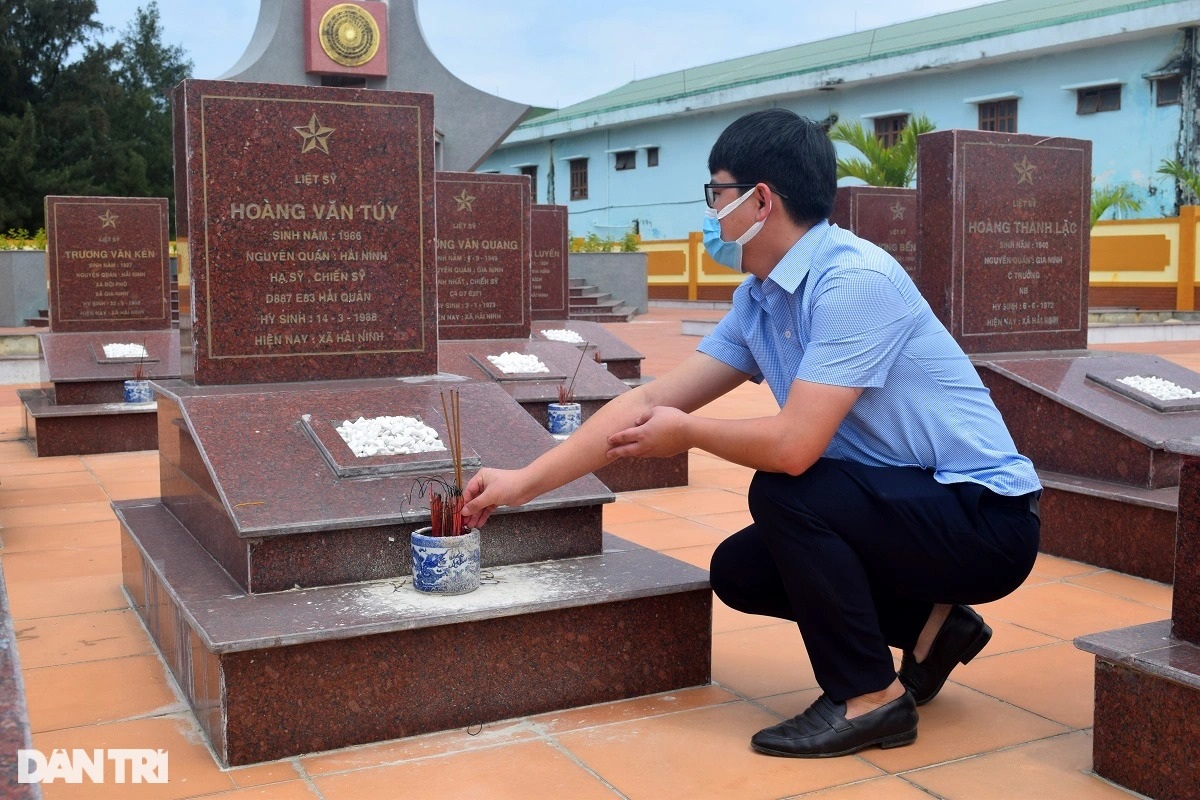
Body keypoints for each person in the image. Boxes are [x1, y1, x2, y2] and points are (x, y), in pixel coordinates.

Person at [461, 108, 1041, 758]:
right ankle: (933, 626)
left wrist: (691, 434)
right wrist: (522, 483)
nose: (711, 213)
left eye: (718, 193)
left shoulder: (853, 282)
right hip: (910, 503)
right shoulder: (762, 298)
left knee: (788, 490)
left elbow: (794, 447)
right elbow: (650, 400)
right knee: (743, 570)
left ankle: (869, 698)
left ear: (761, 199)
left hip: (986, 518)